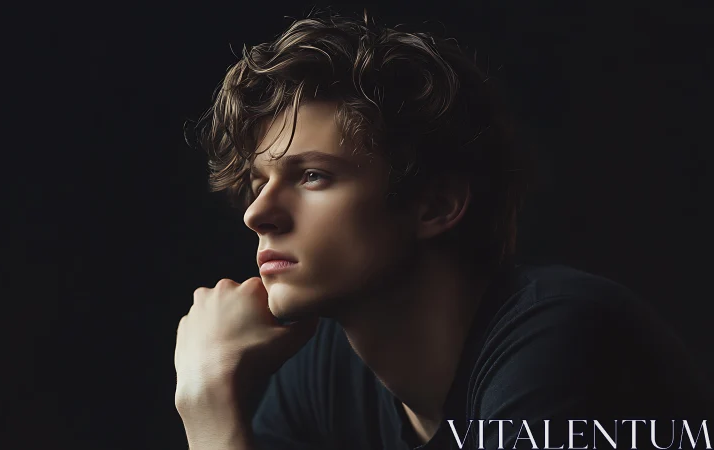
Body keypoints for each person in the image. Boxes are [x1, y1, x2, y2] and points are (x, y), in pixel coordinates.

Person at [173, 11, 713, 450]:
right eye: (259, 181)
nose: (257, 213)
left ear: (435, 205)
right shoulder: (327, 370)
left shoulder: (561, 341)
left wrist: (211, 407)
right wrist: (207, 398)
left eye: (312, 176)